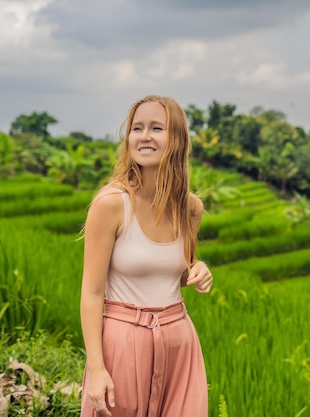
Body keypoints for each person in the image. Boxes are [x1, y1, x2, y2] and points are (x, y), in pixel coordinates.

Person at [80, 95, 213, 417]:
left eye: (157, 128)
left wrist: (199, 267)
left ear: (177, 139)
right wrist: (96, 369)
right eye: (136, 128)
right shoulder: (111, 204)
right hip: (124, 342)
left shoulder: (190, 208)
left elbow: (177, 273)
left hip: (179, 339)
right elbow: (92, 292)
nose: (144, 136)